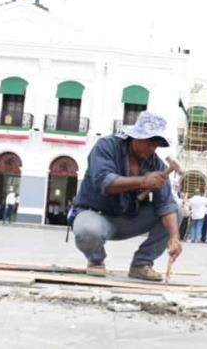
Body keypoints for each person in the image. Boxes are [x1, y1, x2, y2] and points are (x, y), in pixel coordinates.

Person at [71, 111, 182, 280]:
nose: (152, 148)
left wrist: (174, 238)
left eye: (156, 144)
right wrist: (143, 182)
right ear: (135, 136)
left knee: (175, 212)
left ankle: (141, 264)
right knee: (88, 231)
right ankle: (96, 260)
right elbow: (105, 182)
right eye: (149, 142)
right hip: (95, 215)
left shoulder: (155, 164)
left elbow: (166, 205)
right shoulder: (106, 146)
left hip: (127, 218)